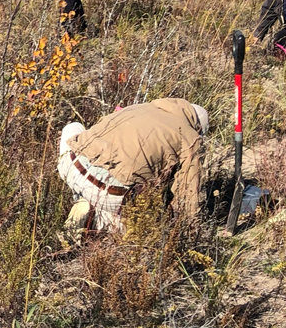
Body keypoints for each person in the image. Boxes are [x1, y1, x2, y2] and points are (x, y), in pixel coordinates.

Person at [56, 99, 209, 233]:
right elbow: (188, 191)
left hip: (72, 165)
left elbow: (101, 125)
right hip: (107, 192)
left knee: (73, 127)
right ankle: (99, 218)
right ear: (198, 128)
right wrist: (186, 227)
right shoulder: (191, 136)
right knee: (142, 229)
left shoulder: (141, 107)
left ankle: (81, 199)